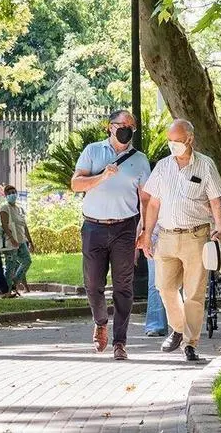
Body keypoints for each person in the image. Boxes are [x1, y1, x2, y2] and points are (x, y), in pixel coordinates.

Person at [137, 119, 221, 362]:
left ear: (190, 139)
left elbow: (216, 200)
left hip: (196, 236)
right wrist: (147, 235)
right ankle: (178, 328)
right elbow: (153, 202)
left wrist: (219, 228)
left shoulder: (205, 166)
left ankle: (190, 343)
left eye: (177, 141)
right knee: (164, 288)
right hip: (166, 236)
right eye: (170, 141)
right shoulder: (163, 166)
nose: (172, 145)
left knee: (194, 294)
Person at [71, 110, 152, 360]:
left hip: (124, 228)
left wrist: (145, 228)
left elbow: (146, 197)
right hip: (94, 226)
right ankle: (100, 322)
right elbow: (75, 184)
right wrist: (102, 176)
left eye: (132, 126)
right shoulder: (93, 151)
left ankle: (120, 342)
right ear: (110, 127)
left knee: (123, 286)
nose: (127, 129)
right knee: (93, 283)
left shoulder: (139, 160)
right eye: (122, 124)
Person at [0, 185, 34, 295]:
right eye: (9, 193)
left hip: (22, 240)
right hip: (11, 242)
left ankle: (16, 281)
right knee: (10, 265)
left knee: (27, 260)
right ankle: (6, 290)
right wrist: (12, 238)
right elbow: (4, 225)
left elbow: (25, 226)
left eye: (14, 192)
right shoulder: (5, 208)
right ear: (6, 196)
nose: (12, 195)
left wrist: (31, 242)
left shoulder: (19, 209)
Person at [144, 225, 168, 337]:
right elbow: (145, 215)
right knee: (154, 283)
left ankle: (182, 325)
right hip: (155, 237)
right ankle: (155, 325)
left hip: (180, 233)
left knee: (181, 283)